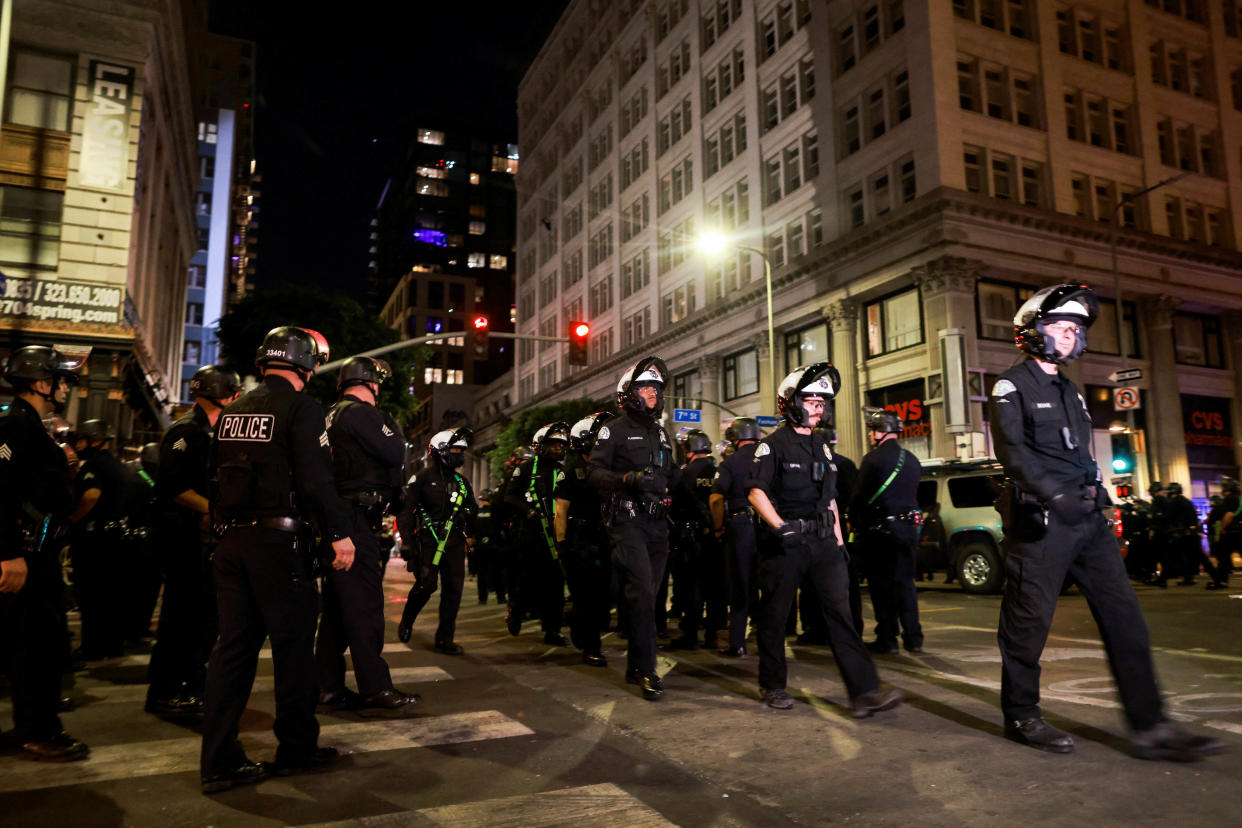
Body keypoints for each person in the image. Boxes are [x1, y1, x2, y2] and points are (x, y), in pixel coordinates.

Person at [990, 283, 1224, 760]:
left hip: (1088, 520)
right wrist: (1056, 495)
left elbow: (1081, 454)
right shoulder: (1011, 385)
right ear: (1032, 332)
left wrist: (1100, 499)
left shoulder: (1071, 391)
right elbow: (1012, 453)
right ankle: (1022, 715)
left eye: (1076, 330)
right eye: (1061, 327)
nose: (1071, 337)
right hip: (1042, 522)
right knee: (1027, 625)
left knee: (1126, 620)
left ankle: (1150, 726)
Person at [201, 326, 354, 794]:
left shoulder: (233, 410)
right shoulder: (302, 408)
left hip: (230, 544)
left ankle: (219, 759)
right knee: (293, 653)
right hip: (278, 546)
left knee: (233, 651)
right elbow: (315, 480)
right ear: (305, 365)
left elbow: (214, 481)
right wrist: (340, 534)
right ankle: (296, 749)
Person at [746, 362, 901, 715]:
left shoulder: (824, 447)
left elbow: (829, 499)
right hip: (785, 544)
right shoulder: (772, 446)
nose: (819, 407)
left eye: (823, 401)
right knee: (775, 615)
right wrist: (779, 526)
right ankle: (772, 686)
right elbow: (756, 491)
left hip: (823, 544)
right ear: (791, 402)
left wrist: (839, 543)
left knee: (841, 615)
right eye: (812, 399)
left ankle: (864, 693)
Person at [0, 346, 89, 761]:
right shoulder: (16, 428)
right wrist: (9, 553)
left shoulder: (32, 427)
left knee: (38, 644)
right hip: (26, 557)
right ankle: (37, 731)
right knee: (35, 646)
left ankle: (33, 723)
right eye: (60, 378)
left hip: (37, 554)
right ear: (41, 383)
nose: (65, 385)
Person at [316, 356, 418, 714]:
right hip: (355, 520)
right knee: (365, 609)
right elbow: (394, 449)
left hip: (340, 517)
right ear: (372, 383)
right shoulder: (360, 413)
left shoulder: (333, 414)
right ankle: (375, 688)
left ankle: (327, 686)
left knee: (337, 612)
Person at [146, 365, 239, 718]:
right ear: (224, 394)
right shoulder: (188, 431)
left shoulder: (212, 431)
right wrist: (214, 510)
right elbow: (172, 487)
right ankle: (169, 691)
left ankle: (188, 685)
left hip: (201, 540)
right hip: (183, 539)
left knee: (200, 617)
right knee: (181, 617)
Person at [587, 357, 676, 701]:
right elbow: (595, 474)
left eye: (656, 388)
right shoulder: (615, 429)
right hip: (627, 523)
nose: (653, 394)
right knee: (641, 592)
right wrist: (628, 479)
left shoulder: (661, 432)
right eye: (646, 388)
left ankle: (635, 665)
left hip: (657, 525)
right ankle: (648, 670)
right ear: (628, 394)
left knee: (648, 598)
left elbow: (672, 476)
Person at [396, 426, 477, 654]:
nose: (459, 454)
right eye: (454, 449)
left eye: (461, 450)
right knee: (426, 585)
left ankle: (444, 638)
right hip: (428, 542)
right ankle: (407, 620)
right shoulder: (421, 478)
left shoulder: (462, 482)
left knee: (454, 590)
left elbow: (473, 508)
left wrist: (466, 515)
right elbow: (405, 511)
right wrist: (407, 542)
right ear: (440, 451)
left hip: (453, 543)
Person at [852, 409, 924, 655]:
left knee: (881, 586)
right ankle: (914, 638)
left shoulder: (872, 460)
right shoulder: (912, 459)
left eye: (873, 430)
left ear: (880, 431)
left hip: (881, 532)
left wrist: (856, 522)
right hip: (908, 529)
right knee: (905, 584)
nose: (871, 435)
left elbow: (859, 497)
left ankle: (887, 638)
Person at [555, 412, 614, 666]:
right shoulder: (570, 471)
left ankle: (578, 622)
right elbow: (561, 510)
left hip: (606, 537)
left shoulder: (609, 469)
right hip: (579, 541)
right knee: (586, 595)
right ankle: (592, 646)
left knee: (607, 595)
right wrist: (562, 545)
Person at [67, 419, 128, 660]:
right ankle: (111, 645)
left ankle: (92, 647)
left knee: (91, 596)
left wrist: (73, 518)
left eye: (82, 439)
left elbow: (91, 495)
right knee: (111, 596)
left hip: (96, 540)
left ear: (94, 440)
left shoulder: (94, 466)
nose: (79, 444)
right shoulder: (118, 466)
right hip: (116, 537)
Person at [504, 422, 569, 645]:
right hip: (529, 536)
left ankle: (552, 630)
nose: (558, 448)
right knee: (524, 581)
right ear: (540, 445)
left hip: (554, 537)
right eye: (553, 444)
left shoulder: (562, 472)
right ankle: (515, 613)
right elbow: (509, 497)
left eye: (561, 445)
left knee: (555, 584)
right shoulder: (525, 469)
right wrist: (528, 511)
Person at [709, 417, 761, 657]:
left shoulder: (730, 464)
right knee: (768, 583)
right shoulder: (769, 458)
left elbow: (716, 499)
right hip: (769, 525)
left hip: (741, 526)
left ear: (735, 438)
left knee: (740, 584)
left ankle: (737, 642)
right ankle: (770, 638)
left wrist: (719, 528)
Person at [668, 428, 723, 650]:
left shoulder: (684, 474)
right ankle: (712, 633)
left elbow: (673, 506)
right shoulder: (717, 471)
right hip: (714, 536)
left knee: (691, 586)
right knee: (714, 586)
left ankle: (691, 633)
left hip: (689, 537)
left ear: (688, 449)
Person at [1164, 482, 1200, 586]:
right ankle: (1189, 577)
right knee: (1190, 556)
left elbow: (1169, 516)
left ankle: (1186, 578)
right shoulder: (1186, 501)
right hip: (1190, 533)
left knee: (1182, 556)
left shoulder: (1176, 502)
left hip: (1182, 533)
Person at [1209, 477, 1240, 590]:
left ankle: (1221, 581)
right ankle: (1221, 581)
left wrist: (1222, 528)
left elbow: (1229, 515)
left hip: (1232, 532)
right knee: (1225, 557)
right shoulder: (1238, 498)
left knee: (1223, 557)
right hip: (1238, 531)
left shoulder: (1230, 498)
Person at [1145, 482, 1171, 587]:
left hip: (1161, 532)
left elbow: (1160, 517)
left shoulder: (1160, 501)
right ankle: (1160, 578)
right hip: (1160, 531)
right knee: (1158, 556)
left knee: (1159, 556)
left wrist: (1154, 528)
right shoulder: (1158, 501)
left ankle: (1161, 579)